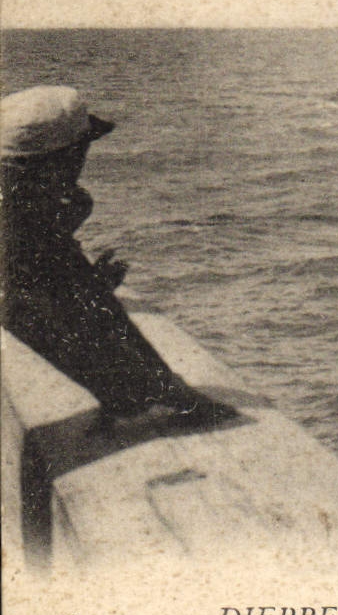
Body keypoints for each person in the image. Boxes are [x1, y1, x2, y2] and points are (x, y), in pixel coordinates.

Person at [1, 86, 235, 424]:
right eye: (79, 153)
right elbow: (50, 304)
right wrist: (170, 393)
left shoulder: (22, 209)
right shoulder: (19, 225)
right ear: (57, 160)